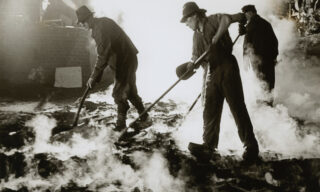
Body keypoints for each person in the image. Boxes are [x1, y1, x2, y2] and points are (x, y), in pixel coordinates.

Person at [180, 2, 259, 162]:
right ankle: (209, 146)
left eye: (187, 20)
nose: (186, 24)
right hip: (212, 71)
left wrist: (217, 36)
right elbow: (196, 56)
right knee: (209, 109)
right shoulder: (196, 35)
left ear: (195, 15)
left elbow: (227, 19)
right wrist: (190, 65)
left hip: (227, 66)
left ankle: (250, 146)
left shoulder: (212, 20)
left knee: (237, 106)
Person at [75, 5, 150, 131]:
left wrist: (93, 76)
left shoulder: (99, 28)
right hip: (127, 60)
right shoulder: (103, 22)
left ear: (87, 20)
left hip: (124, 62)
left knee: (118, 93)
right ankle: (145, 118)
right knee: (130, 92)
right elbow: (106, 52)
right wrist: (96, 76)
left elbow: (103, 54)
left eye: (82, 23)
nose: (83, 26)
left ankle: (121, 126)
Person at [239, 5, 278, 103]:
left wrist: (245, 58)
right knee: (269, 82)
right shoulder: (266, 24)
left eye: (245, 14)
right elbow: (274, 41)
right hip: (269, 59)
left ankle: (262, 106)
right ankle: (269, 105)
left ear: (250, 13)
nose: (245, 17)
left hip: (257, 60)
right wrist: (274, 57)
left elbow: (247, 44)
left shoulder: (250, 25)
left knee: (260, 81)